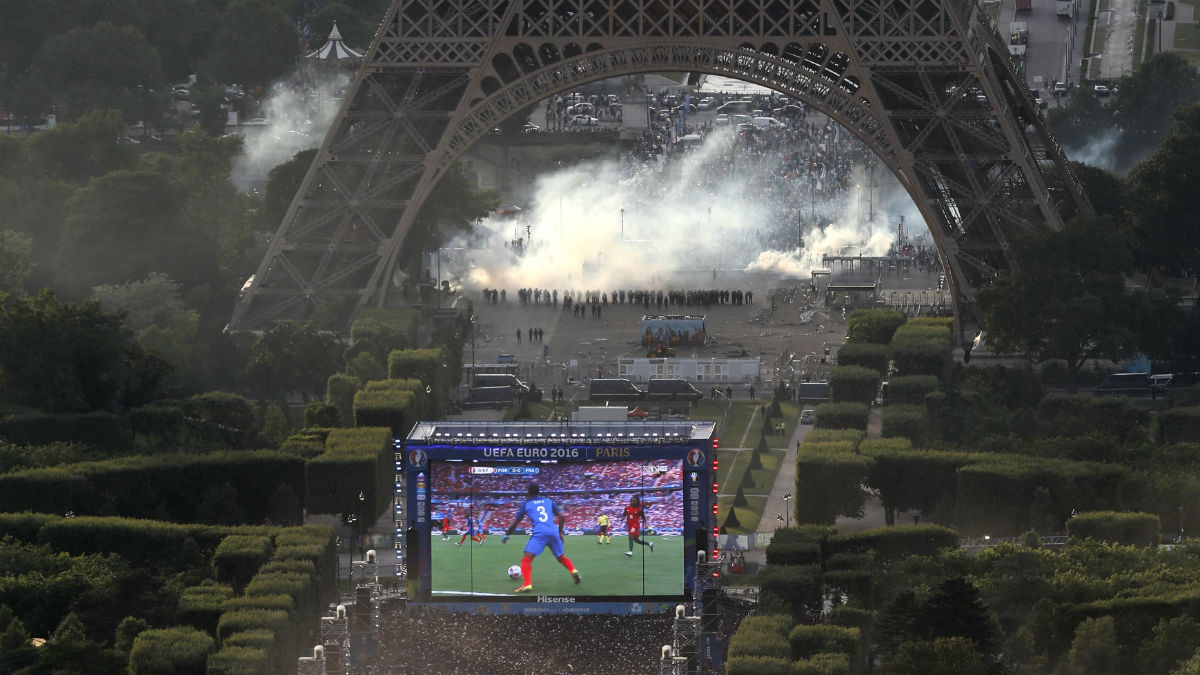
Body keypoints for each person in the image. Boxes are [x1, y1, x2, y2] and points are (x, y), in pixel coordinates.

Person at [502, 483, 581, 592]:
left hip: (540, 532)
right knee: (561, 557)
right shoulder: (548, 501)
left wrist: (507, 535)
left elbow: (515, 524)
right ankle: (573, 570)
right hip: (553, 531)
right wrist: (560, 532)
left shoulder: (526, 504)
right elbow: (562, 516)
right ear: (539, 492)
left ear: (528, 492)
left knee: (527, 559)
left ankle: (527, 584)